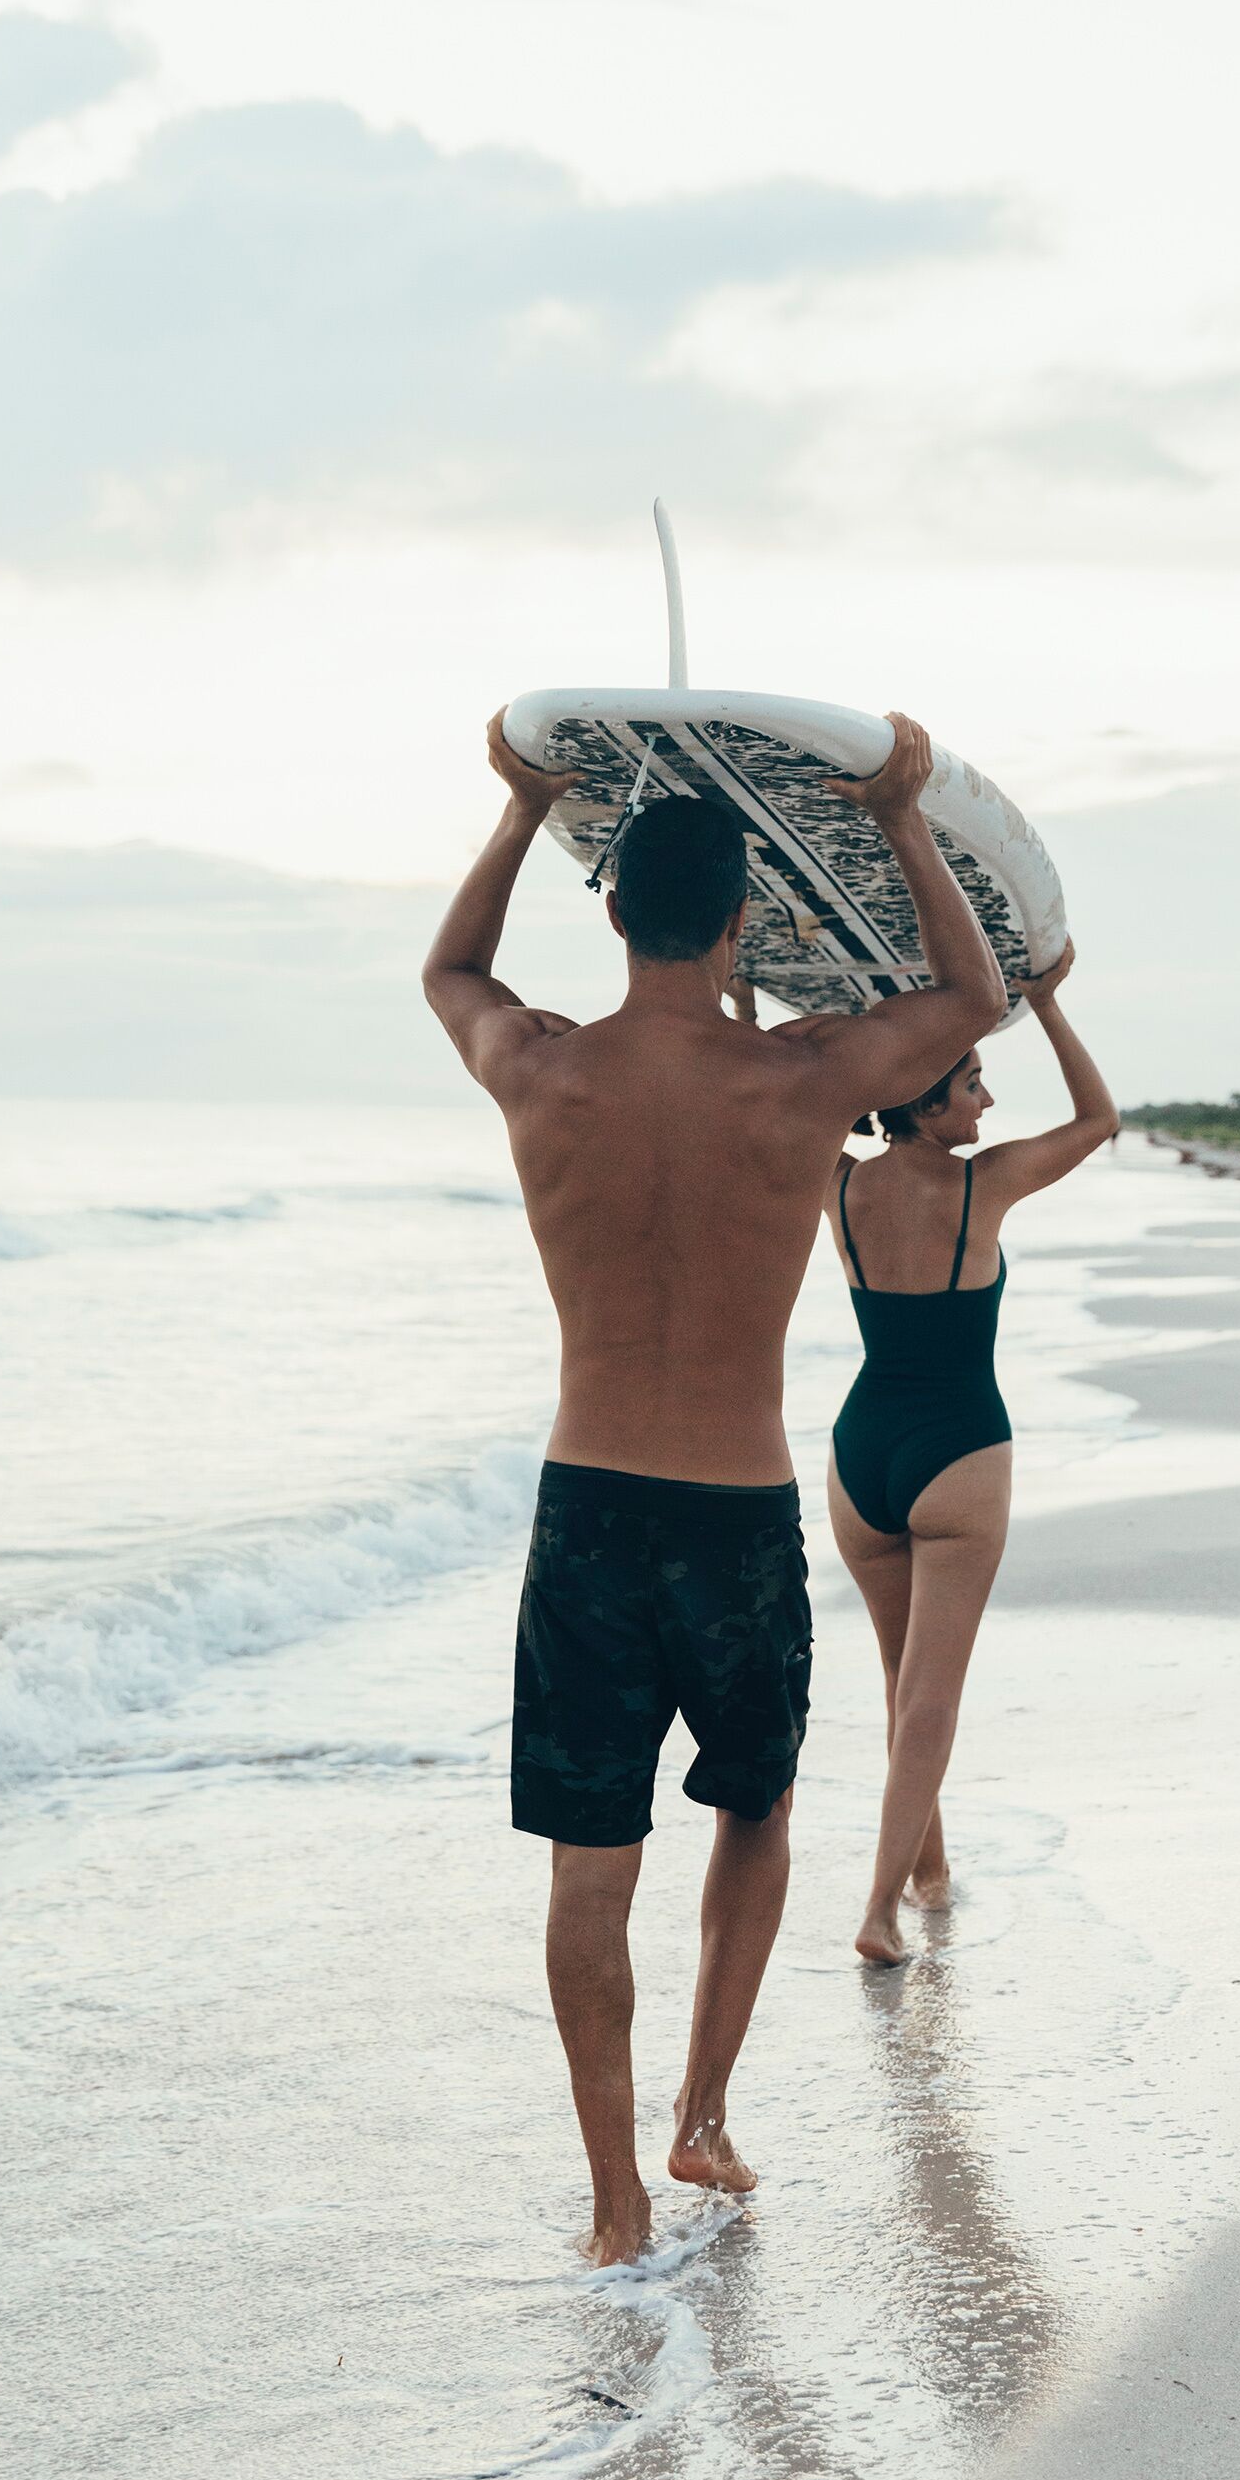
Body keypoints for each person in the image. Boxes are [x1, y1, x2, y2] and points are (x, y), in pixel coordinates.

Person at [422, 708, 1005, 2264]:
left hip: (589, 1514)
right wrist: (897, 816)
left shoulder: (539, 1068)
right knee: (756, 1806)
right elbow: (971, 1001)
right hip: (737, 1518)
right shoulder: (803, 1081)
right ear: (745, 918)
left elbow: (452, 972)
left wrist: (518, 808)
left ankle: (614, 2201)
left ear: (614, 907)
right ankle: (702, 2114)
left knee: (590, 1860)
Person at [824, 942, 1117, 1963]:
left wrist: (742, 1008)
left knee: (898, 1681)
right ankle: (877, 1909)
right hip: (958, 1451)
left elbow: (770, 1102)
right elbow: (1098, 1121)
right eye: (973, 1083)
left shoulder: (835, 1182)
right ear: (924, 1099)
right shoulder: (982, 1186)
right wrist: (1046, 1004)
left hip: (859, 1456)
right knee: (930, 1698)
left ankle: (930, 1872)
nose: (987, 1102)